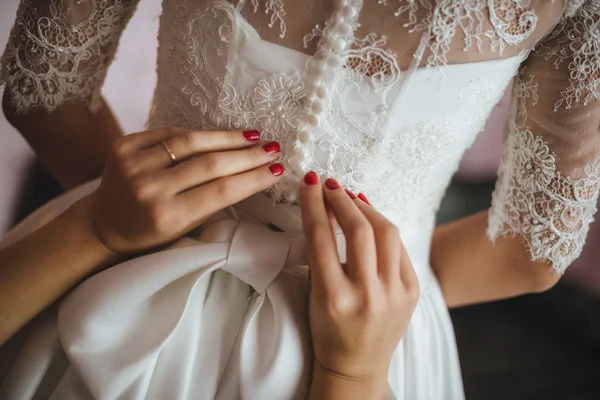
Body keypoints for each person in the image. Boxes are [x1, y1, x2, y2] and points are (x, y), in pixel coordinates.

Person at [1, 0, 599, 398]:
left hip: (119, 277)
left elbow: (42, 90)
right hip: (374, 337)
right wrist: (383, 292)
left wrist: (130, 227)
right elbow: (532, 250)